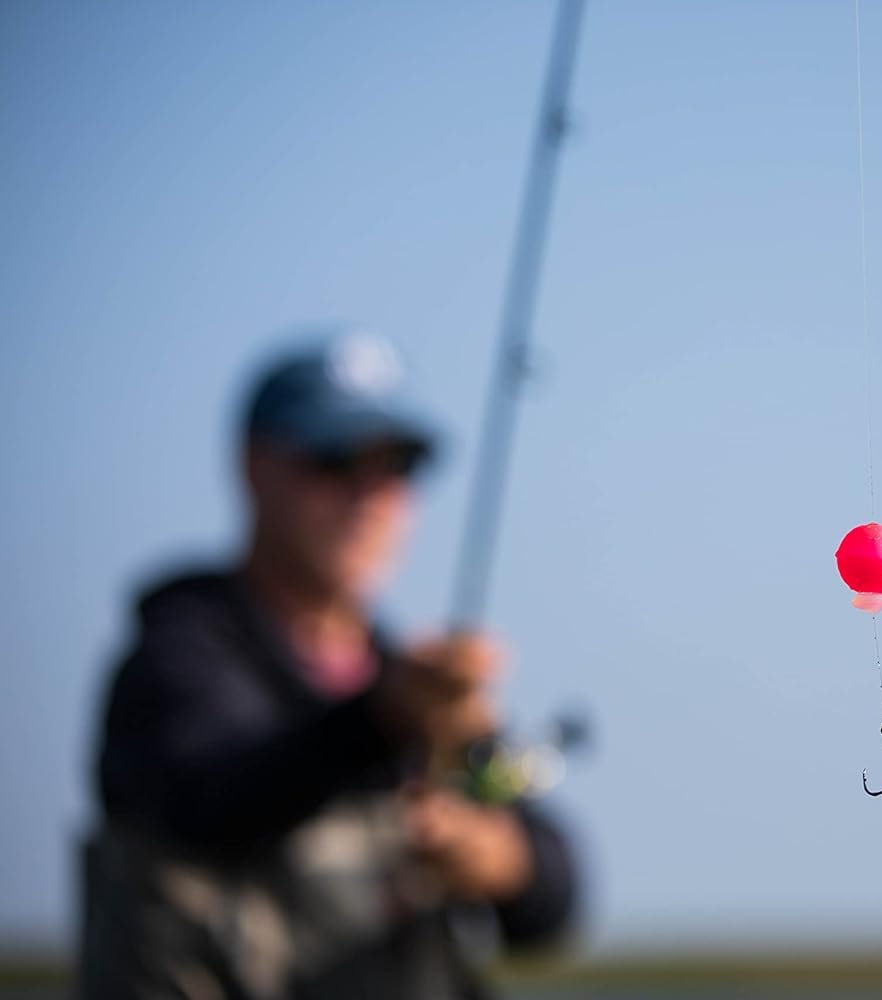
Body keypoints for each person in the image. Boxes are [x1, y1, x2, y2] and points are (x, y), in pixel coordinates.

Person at [79, 332, 577, 999]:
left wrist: (499, 858)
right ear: (254, 467)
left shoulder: (413, 682)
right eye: (333, 460)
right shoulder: (179, 659)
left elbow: (557, 893)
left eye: (396, 467)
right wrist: (382, 716)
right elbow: (212, 795)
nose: (368, 495)